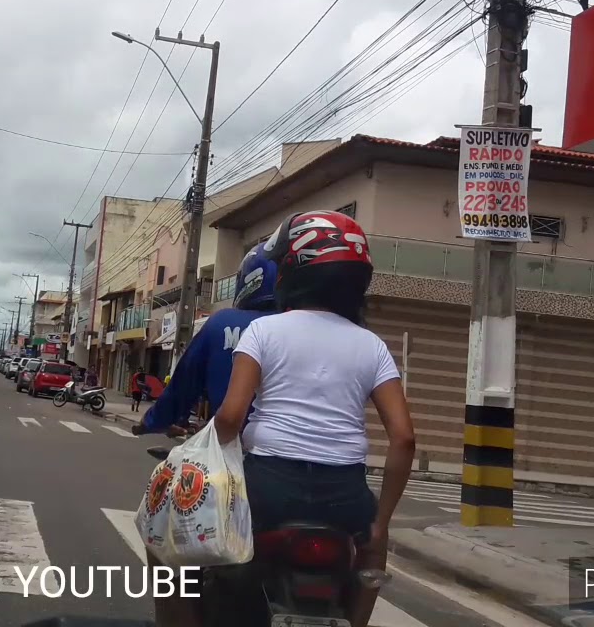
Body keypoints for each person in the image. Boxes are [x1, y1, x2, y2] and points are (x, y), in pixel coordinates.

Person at [212, 210, 416, 627]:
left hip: (268, 488)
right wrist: (379, 524)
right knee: (375, 549)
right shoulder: (373, 346)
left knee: (202, 548)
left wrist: (206, 451)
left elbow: (231, 416)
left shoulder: (264, 332)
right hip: (345, 495)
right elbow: (404, 440)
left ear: (291, 270)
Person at [132, 243, 279, 439]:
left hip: (241, 449)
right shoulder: (319, 328)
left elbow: (182, 387)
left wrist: (152, 421)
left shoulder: (222, 323)